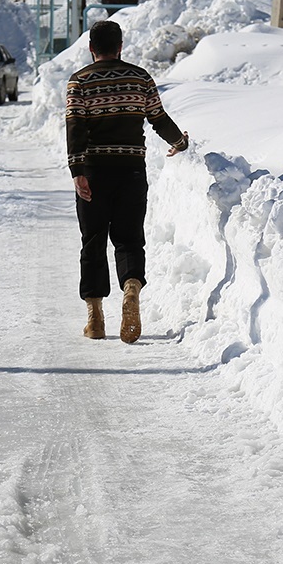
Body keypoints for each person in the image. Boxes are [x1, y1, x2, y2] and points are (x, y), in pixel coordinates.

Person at [65, 20, 189, 344]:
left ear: (91, 48)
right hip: (131, 172)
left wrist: (77, 171)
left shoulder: (79, 82)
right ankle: (131, 287)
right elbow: (158, 118)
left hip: (92, 173)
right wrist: (180, 142)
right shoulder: (140, 78)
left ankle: (95, 317)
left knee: (93, 241)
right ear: (120, 47)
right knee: (129, 239)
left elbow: (75, 128)